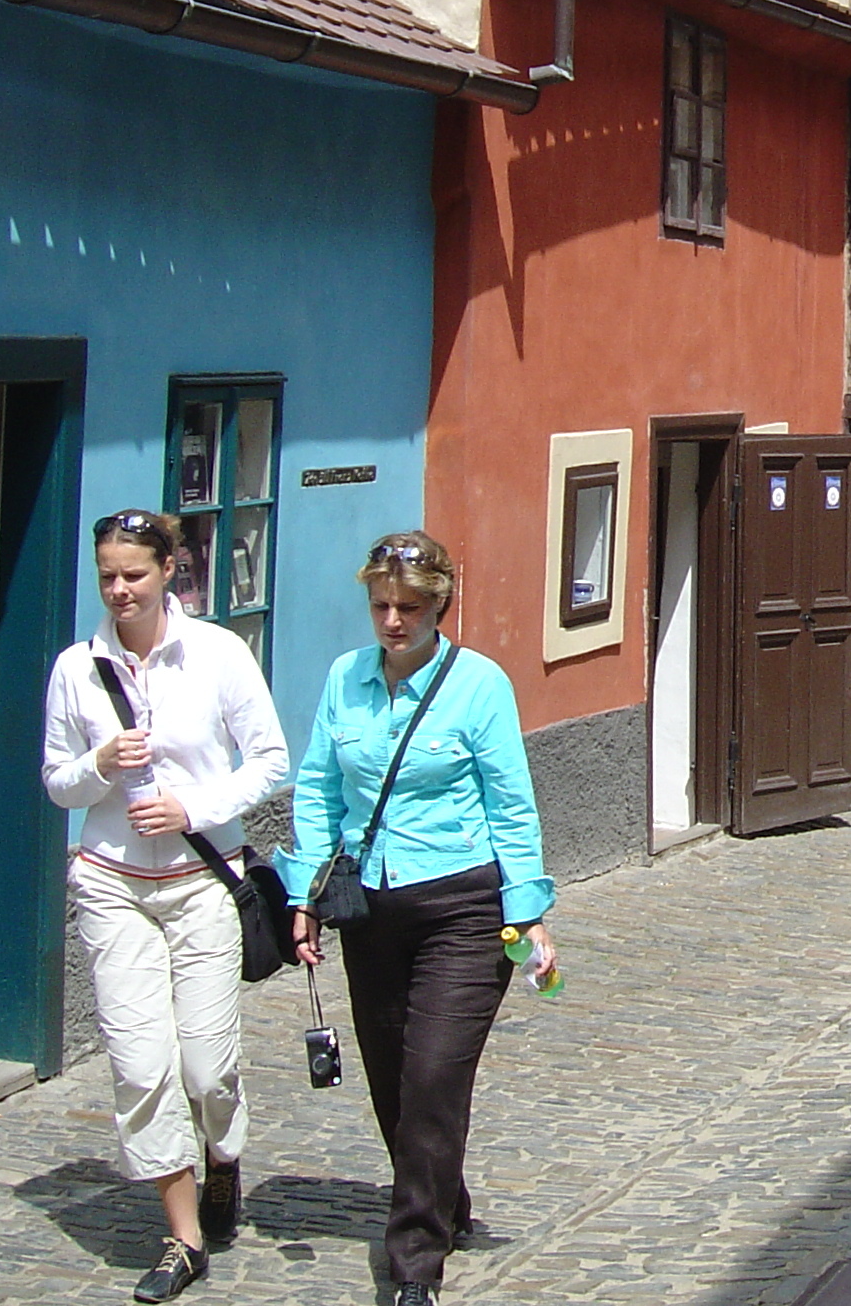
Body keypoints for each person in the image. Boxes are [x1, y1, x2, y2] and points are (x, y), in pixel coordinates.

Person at [285, 532, 554, 1306]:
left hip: (463, 907)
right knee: (395, 1084)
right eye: (380, 606)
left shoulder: (478, 685)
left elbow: (511, 801)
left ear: (440, 605)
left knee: (436, 1073)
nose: (393, 621)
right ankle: (445, 1199)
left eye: (409, 607)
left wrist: (528, 910)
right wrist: (303, 892)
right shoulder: (346, 680)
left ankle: (413, 1266)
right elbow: (318, 789)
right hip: (371, 906)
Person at [43, 510, 288, 1303]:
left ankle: (223, 1158)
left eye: (133, 575)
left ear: (169, 572)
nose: (118, 590)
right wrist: (99, 763)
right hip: (112, 884)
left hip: (199, 884)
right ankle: (181, 1238)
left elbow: (271, 762)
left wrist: (193, 806)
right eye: (107, 575)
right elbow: (57, 784)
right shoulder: (76, 669)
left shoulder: (217, 654)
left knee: (206, 1067)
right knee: (141, 1066)